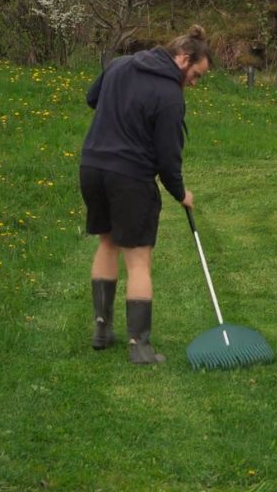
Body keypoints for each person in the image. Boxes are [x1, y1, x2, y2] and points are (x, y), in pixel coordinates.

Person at [79, 26, 211, 364]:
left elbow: (92, 98)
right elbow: (168, 159)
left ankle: (102, 330)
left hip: (92, 167)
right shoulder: (170, 96)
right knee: (138, 260)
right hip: (130, 178)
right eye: (195, 75)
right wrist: (181, 193)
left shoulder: (121, 64)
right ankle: (140, 347)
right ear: (183, 58)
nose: (194, 83)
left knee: (107, 243)